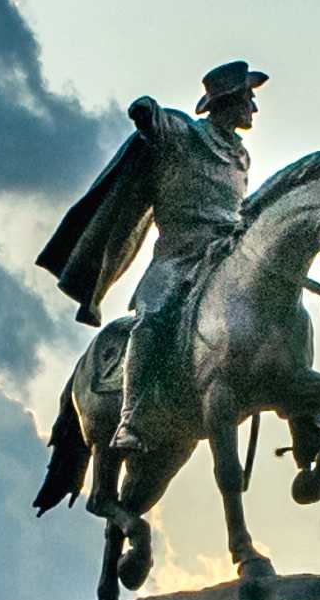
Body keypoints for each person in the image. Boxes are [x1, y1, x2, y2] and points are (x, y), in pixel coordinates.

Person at [37, 61, 267, 467]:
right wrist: (146, 112)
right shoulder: (184, 133)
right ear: (228, 102)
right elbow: (156, 124)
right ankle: (131, 416)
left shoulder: (241, 156)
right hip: (179, 256)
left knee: (272, 303)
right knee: (153, 317)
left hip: (224, 255)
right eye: (248, 98)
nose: (254, 107)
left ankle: (304, 418)